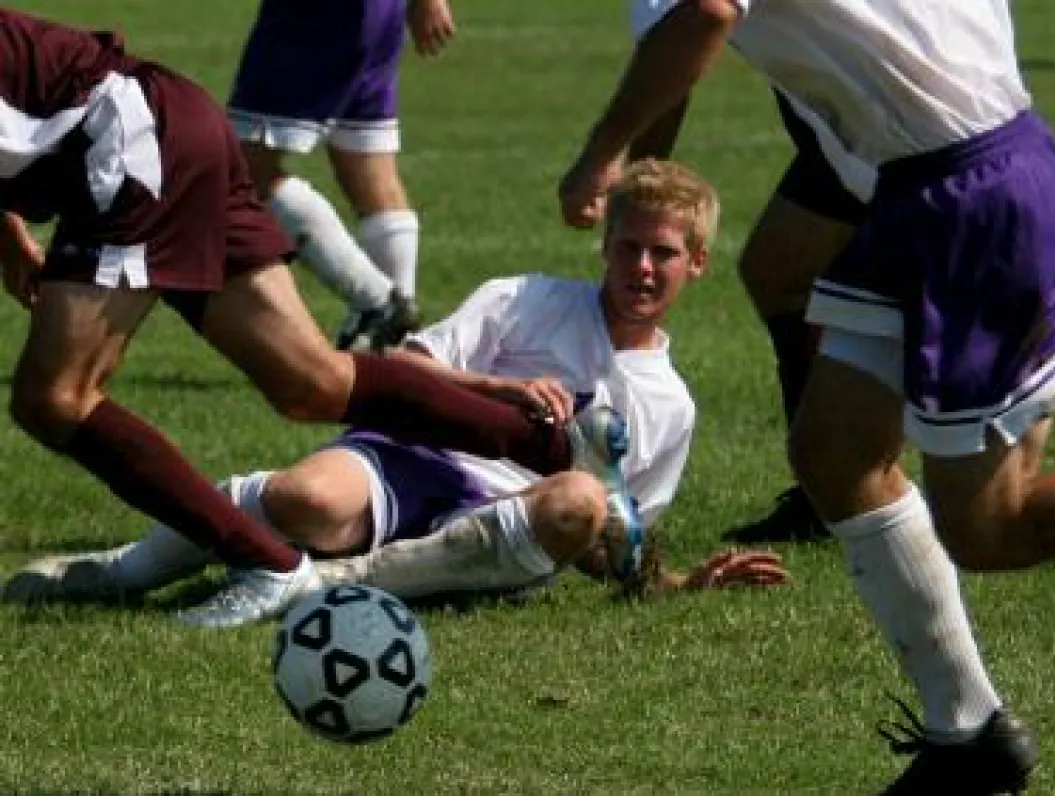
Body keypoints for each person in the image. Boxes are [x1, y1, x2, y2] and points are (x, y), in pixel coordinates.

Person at [557, 2, 1055, 793]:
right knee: (835, 453)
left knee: (994, 526)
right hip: (916, 184)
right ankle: (965, 733)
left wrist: (602, 154)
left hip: (970, 188)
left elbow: (704, 14)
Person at [0, 8, 638, 632]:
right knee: (311, 382)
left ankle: (266, 565)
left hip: (127, 142)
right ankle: (559, 447)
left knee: (56, 398)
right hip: (172, 118)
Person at [3, 158, 787, 607]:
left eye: (664, 253)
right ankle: (118, 572)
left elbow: (617, 535)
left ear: (698, 263)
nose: (642, 268)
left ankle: (325, 585)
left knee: (579, 499)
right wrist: (496, 392)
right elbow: (404, 371)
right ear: (604, 247)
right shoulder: (528, 297)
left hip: (508, 522)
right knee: (305, 502)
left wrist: (681, 582)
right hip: (417, 457)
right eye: (628, 248)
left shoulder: (670, 405)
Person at [628, 36, 1055, 548]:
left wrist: (625, 174)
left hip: (902, 122)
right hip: (896, 107)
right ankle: (832, 485)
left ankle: (839, 488)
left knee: (989, 505)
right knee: (784, 269)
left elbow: (690, 26)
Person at [228, 0, 456, 351]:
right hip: (374, 13)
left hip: (322, 17)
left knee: (241, 172)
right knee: (367, 168)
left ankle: (379, 305)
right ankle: (393, 345)